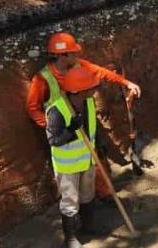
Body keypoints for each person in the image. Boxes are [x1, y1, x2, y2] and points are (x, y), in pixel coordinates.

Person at [25, 32, 141, 203]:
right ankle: (79, 210)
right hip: (65, 136)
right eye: (73, 52)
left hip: (86, 125)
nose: (77, 55)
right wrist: (51, 128)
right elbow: (32, 107)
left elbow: (101, 72)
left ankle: (104, 195)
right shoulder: (43, 79)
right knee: (73, 179)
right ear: (62, 55)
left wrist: (126, 83)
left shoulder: (79, 66)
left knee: (96, 161)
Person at [45, 66, 101, 248]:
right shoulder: (57, 111)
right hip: (67, 167)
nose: (94, 91)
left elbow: (93, 129)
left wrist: (99, 146)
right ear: (78, 90)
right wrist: (71, 130)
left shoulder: (89, 103)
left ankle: (88, 227)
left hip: (87, 160)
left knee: (87, 195)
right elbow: (54, 140)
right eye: (90, 88)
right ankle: (70, 238)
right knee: (70, 202)